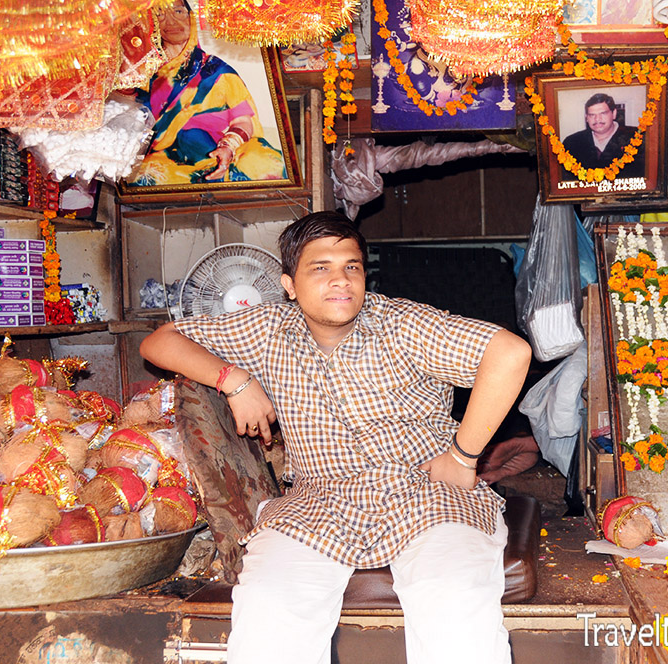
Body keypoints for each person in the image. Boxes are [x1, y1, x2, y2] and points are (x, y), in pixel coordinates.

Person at [139, 211, 532, 664]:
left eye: (352, 267)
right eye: (320, 268)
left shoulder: (404, 324)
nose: (340, 280)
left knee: (454, 604)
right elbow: (160, 341)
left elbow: (509, 352)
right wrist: (234, 380)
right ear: (289, 284)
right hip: (317, 502)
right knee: (269, 611)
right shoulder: (267, 330)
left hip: (426, 493)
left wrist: (463, 458)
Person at [129, 1, 287, 186]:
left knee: (265, 165)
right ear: (152, 24)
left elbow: (243, 121)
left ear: (192, 18)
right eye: (160, 14)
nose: (171, 21)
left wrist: (227, 147)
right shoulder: (143, 77)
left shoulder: (216, 71)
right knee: (144, 177)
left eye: (178, 11)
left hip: (223, 152)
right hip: (166, 160)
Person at [561, 92, 645, 180]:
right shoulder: (571, 142)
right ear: (586, 117)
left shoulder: (637, 138)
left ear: (614, 113)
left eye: (603, 113)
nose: (597, 119)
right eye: (592, 115)